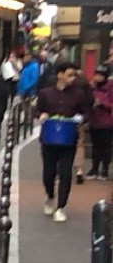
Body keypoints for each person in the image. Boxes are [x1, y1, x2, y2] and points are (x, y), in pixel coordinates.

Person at [36, 58, 94, 221]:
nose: (72, 78)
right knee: (48, 173)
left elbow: (86, 112)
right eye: (69, 75)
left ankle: (61, 207)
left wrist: (80, 118)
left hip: (68, 139)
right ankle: (50, 195)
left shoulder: (79, 94)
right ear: (59, 75)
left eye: (74, 75)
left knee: (65, 173)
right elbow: (37, 110)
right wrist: (42, 115)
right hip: (49, 138)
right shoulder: (45, 93)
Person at [87, 65, 113, 181]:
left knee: (106, 146)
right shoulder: (92, 87)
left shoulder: (110, 87)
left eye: (100, 75)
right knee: (95, 146)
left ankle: (105, 169)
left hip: (107, 122)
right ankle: (94, 168)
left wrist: (101, 104)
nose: (97, 77)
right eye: (96, 74)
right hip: (94, 120)